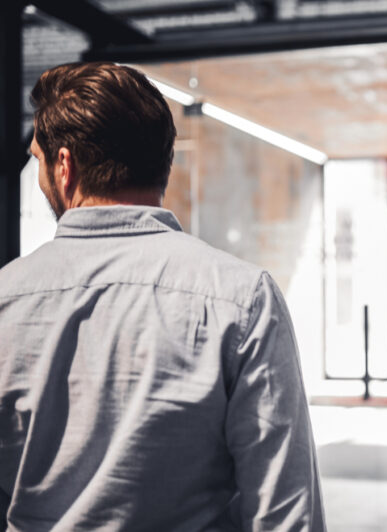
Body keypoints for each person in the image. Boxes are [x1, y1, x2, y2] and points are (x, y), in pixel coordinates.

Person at [0, 62, 325, 531]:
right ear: (163, 164)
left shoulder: (8, 298)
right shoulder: (242, 298)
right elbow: (285, 513)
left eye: (39, 159)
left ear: (64, 167)